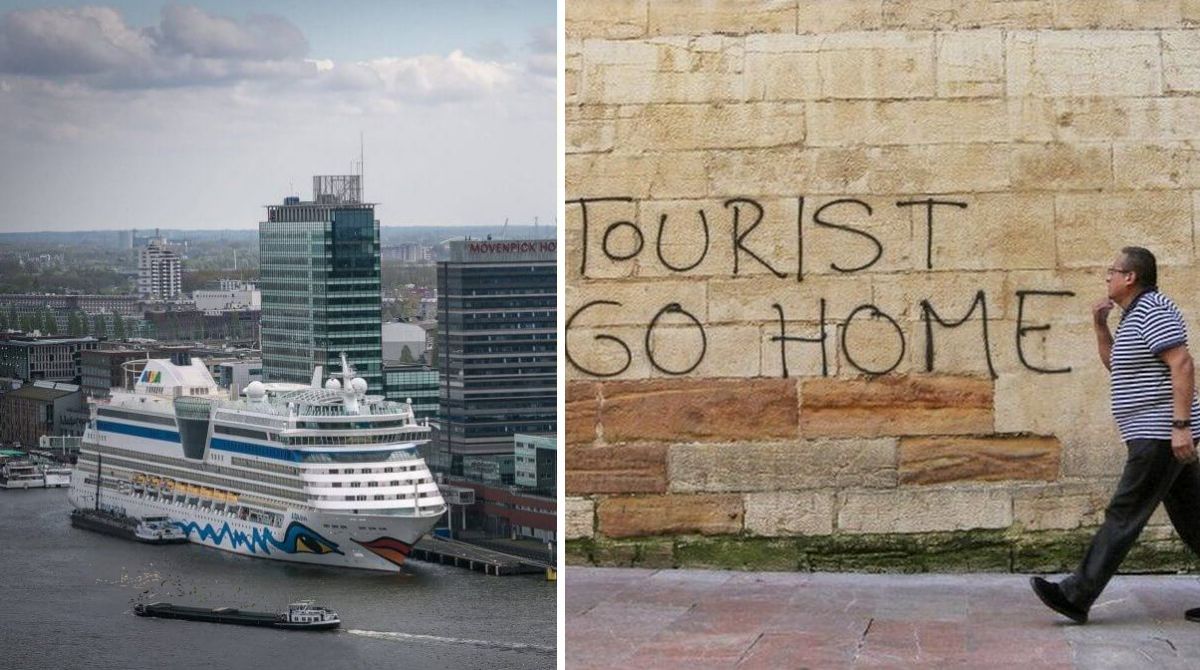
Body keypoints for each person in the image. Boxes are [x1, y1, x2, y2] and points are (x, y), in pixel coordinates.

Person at [1031, 246, 1200, 624]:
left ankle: (1076, 595)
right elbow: (1117, 365)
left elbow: (1183, 363)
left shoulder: (1154, 310)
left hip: (1159, 433)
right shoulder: (1134, 316)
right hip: (1152, 432)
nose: (1106, 277)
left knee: (1124, 513)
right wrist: (1099, 326)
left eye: (1112, 271)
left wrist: (1181, 427)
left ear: (1131, 277)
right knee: (1194, 517)